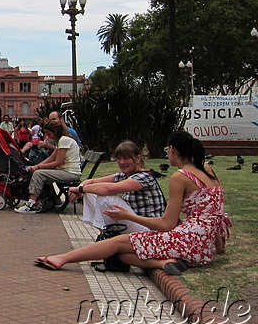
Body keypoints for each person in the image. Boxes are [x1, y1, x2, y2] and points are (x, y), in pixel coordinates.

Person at [36, 131, 232, 276]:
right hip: (201, 246)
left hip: (187, 241)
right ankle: (165, 264)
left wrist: (128, 217)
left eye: (167, 150)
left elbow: (167, 225)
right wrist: (217, 247)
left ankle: (63, 258)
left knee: (117, 243)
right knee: (118, 254)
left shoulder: (180, 177)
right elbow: (214, 214)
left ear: (173, 150)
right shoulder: (207, 169)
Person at [69, 140, 166, 233]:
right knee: (91, 192)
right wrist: (81, 191)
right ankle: (106, 231)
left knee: (106, 197)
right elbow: (92, 181)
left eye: (126, 158)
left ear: (138, 159)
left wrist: (79, 189)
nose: (122, 162)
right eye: (119, 159)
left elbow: (110, 189)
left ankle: (107, 231)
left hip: (149, 228)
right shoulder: (124, 175)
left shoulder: (144, 177)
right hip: (133, 221)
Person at [15, 118, 82, 213]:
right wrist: (37, 166)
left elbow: (57, 162)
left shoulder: (64, 140)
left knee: (39, 174)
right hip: (67, 171)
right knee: (40, 172)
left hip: (70, 173)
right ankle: (51, 199)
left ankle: (31, 204)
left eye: (49, 134)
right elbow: (51, 158)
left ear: (55, 132)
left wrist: (37, 167)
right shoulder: (63, 140)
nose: (49, 137)